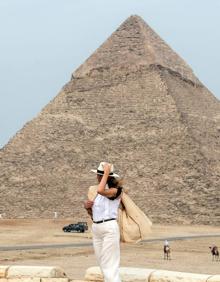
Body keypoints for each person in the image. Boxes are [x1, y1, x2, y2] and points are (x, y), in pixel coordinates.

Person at [84, 162, 122, 282]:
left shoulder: (115, 191)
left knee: (110, 264)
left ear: (107, 176)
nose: (97, 177)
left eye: (100, 175)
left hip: (109, 228)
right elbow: (93, 216)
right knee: (103, 264)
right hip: (97, 228)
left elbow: (101, 190)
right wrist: (87, 208)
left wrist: (106, 173)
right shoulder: (96, 193)